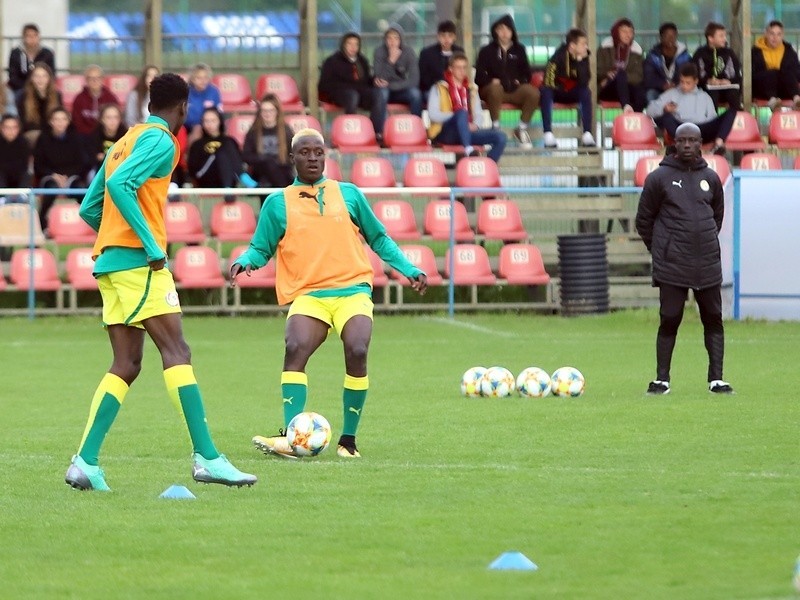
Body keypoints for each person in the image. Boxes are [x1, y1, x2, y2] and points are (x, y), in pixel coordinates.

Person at [65, 73, 257, 491]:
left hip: (110, 264)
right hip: (139, 265)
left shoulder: (124, 141)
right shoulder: (162, 141)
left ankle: (86, 462)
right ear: (184, 108)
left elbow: (88, 208)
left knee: (127, 364)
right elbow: (121, 186)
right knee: (178, 350)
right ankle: (207, 458)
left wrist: (116, 237)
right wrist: (150, 244)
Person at [230, 128, 428, 459]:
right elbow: (260, 247)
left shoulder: (348, 194)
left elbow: (378, 238)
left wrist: (408, 269)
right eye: (305, 152)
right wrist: (244, 261)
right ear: (292, 158)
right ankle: (292, 438)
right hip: (309, 294)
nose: (312, 158)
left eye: (318, 152)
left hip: (352, 289)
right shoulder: (277, 203)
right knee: (295, 347)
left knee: (357, 348)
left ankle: (348, 441)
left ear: (326, 156)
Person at [635, 122, 733, 397]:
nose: (687, 145)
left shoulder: (711, 179)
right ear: (674, 143)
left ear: (701, 143)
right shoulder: (659, 178)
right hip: (673, 264)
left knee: (713, 318)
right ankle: (662, 380)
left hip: (706, 263)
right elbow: (644, 220)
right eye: (682, 141)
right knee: (669, 318)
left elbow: (717, 218)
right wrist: (661, 248)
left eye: (692, 140)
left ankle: (717, 379)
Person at [427, 53, 507, 162]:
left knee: (501, 137)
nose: (462, 71)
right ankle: (469, 150)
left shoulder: (472, 89)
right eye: (458, 67)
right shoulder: (439, 87)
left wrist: (475, 125)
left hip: (468, 131)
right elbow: (433, 114)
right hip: (446, 132)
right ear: (450, 69)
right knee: (461, 112)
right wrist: (458, 118)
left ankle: (487, 166)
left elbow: (479, 114)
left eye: (464, 67)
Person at [475, 14, 539, 148]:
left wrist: (519, 81)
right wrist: (492, 81)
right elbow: (479, 77)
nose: (504, 33)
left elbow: (527, 74)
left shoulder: (519, 50)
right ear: (496, 31)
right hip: (494, 91)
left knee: (533, 93)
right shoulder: (486, 51)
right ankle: (496, 128)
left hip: (514, 90)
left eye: (508, 29)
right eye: (501, 29)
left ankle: (521, 129)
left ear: (512, 32)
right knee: (495, 89)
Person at [646, 63, 736, 156]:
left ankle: (718, 145)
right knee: (666, 117)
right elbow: (649, 111)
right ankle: (681, 145)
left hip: (701, 131)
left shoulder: (704, 97)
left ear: (696, 81)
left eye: (688, 83)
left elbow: (712, 118)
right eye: (682, 82)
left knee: (731, 112)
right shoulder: (671, 94)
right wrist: (665, 109)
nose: (684, 85)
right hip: (681, 130)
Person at [33, 107, 89, 230]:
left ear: (68, 121)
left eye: (63, 119)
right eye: (56, 119)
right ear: (51, 122)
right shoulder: (42, 139)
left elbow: (82, 164)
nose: (60, 122)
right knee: (51, 189)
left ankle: (91, 226)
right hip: (50, 176)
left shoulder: (76, 139)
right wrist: (54, 175)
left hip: (71, 177)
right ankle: (42, 226)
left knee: (82, 191)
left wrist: (66, 176)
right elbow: (38, 165)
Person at [541, 28, 595, 148]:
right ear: (572, 45)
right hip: (557, 91)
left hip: (572, 92)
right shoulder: (558, 56)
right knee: (546, 92)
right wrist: (563, 86)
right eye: (583, 44)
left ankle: (587, 134)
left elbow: (585, 81)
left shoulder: (583, 57)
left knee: (586, 92)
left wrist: (580, 62)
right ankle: (548, 134)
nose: (586, 47)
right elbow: (548, 80)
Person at [371, 24, 422, 139]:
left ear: (401, 39)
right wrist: (391, 61)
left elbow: (414, 80)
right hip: (383, 89)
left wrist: (391, 85)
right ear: (385, 39)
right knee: (381, 93)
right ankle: (379, 132)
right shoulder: (379, 51)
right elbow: (379, 78)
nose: (392, 42)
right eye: (389, 38)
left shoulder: (408, 52)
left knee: (416, 94)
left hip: (399, 88)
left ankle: (417, 130)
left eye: (396, 38)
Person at [241, 94, 295, 197]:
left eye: (271, 110)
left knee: (269, 175)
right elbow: (246, 156)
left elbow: (293, 155)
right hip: (260, 172)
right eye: (264, 111)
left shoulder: (286, 131)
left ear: (277, 112)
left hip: (281, 171)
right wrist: (263, 159)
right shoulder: (254, 131)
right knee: (267, 165)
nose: (267, 114)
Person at [187, 107, 245, 195]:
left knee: (228, 143)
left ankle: (229, 186)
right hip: (205, 176)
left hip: (228, 175)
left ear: (220, 121)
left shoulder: (229, 141)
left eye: (213, 120)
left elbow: (238, 159)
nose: (209, 124)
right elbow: (193, 168)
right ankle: (243, 178)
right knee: (220, 154)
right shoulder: (197, 144)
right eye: (206, 121)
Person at [318, 32, 374, 116]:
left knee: (378, 95)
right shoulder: (333, 61)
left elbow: (367, 80)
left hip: (361, 93)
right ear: (343, 45)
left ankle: (377, 128)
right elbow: (324, 84)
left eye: (356, 44)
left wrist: (375, 81)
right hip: (339, 93)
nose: (353, 47)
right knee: (352, 96)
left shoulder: (362, 61)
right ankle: (351, 125)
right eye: (350, 44)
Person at [597, 18, 646, 113]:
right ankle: (626, 107)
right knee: (621, 74)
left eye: (630, 32)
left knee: (640, 92)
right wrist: (606, 74)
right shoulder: (605, 48)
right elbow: (596, 69)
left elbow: (638, 76)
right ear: (616, 32)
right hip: (608, 88)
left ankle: (635, 121)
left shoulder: (637, 51)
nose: (628, 35)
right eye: (624, 31)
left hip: (627, 87)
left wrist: (619, 76)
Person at [751, 20, 800, 112]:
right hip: (763, 89)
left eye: (778, 34)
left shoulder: (789, 51)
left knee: (787, 73)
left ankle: (797, 99)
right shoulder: (755, 52)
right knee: (772, 73)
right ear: (766, 34)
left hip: (784, 88)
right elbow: (752, 74)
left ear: (782, 36)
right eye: (772, 34)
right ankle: (773, 101)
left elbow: (797, 71)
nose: (775, 37)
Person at [692, 22, 742, 110]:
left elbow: (738, 76)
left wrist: (728, 81)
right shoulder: (700, 53)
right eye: (721, 36)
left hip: (727, 89)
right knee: (712, 95)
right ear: (710, 38)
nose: (725, 39)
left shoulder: (729, 53)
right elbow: (695, 76)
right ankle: (713, 122)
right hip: (706, 89)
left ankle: (736, 121)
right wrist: (708, 81)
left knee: (733, 94)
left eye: (725, 36)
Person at [643, 22, 693, 103]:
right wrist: (663, 85)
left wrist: (676, 84)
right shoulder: (653, 56)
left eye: (673, 35)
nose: (670, 38)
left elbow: (689, 74)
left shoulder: (684, 56)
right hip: (659, 90)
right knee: (650, 94)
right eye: (667, 35)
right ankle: (655, 115)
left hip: (680, 89)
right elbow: (649, 77)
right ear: (661, 37)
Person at [16, 62, 61, 148]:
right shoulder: (23, 96)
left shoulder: (57, 95)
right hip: (31, 134)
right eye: (37, 76)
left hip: (51, 134)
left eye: (44, 76)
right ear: (31, 78)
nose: (40, 79)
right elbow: (23, 123)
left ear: (49, 78)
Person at [418, 20, 465, 103]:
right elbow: (423, 77)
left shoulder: (459, 52)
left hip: (455, 88)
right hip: (433, 89)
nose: (446, 39)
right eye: (443, 36)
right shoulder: (427, 53)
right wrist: (438, 85)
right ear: (438, 37)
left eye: (450, 36)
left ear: (454, 37)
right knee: (438, 99)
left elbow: (462, 73)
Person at [7, 23, 56, 101]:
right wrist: (28, 88)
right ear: (23, 37)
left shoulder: (47, 53)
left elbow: (52, 74)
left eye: (35, 35)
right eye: (29, 36)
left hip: (43, 88)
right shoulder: (16, 53)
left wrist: (40, 85)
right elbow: (13, 76)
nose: (32, 39)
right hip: (21, 89)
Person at [71, 65, 120, 142]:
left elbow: (117, 118)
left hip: (105, 136)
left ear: (103, 80)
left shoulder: (110, 98)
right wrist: (91, 135)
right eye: (91, 78)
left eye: (97, 78)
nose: (94, 81)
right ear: (86, 80)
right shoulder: (79, 99)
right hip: (85, 136)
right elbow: (77, 122)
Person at [88, 104, 127, 181]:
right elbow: (92, 158)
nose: (112, 121)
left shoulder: (126, 135)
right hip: (99, 169)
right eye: (108, 117)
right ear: (102, 119)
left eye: (116, 117)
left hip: (121, 169)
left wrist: (104, 157)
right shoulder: (94, 135)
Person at [185, 63, 223, 143]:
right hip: (190, 127)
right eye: (199, 78)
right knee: (196, 131)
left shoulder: (214, 91)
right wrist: (198, 124)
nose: (203, 81)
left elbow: (219, 113)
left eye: (205, 78)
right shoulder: (186, 92)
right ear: (192, 79)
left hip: (211, 125)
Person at [0, 114, 31, 189]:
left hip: (18, 177)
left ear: (18, 129)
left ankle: (21, 197)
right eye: (7, 128)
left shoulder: (24, 143)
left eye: (14, 127)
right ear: (1, 128)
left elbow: (24, 165)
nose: (11, 131)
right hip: (2, 178)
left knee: (26, 175)